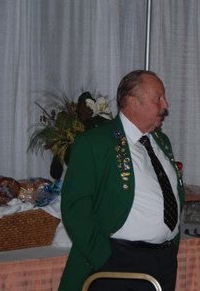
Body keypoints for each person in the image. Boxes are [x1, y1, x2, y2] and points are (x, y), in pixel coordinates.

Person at [59, 70, 185, 291]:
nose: (165, 105)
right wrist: (103, 258)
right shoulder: (95, 143)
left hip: (164, 261)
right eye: (158, 98)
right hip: (119, 260)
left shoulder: (161, 141)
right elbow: (75, 208)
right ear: (132, 102)